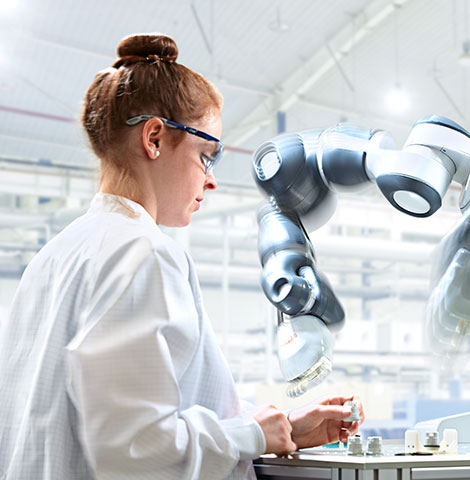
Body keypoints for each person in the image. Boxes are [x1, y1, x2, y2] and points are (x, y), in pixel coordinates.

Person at [0, 33, 364, 480]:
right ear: (154, 138)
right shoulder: (141, 252)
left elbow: (101, 424)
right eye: (206, 155)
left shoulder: (55, 256)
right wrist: (251, 434)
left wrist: (282, 428)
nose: (210, 181)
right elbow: (135, 451)